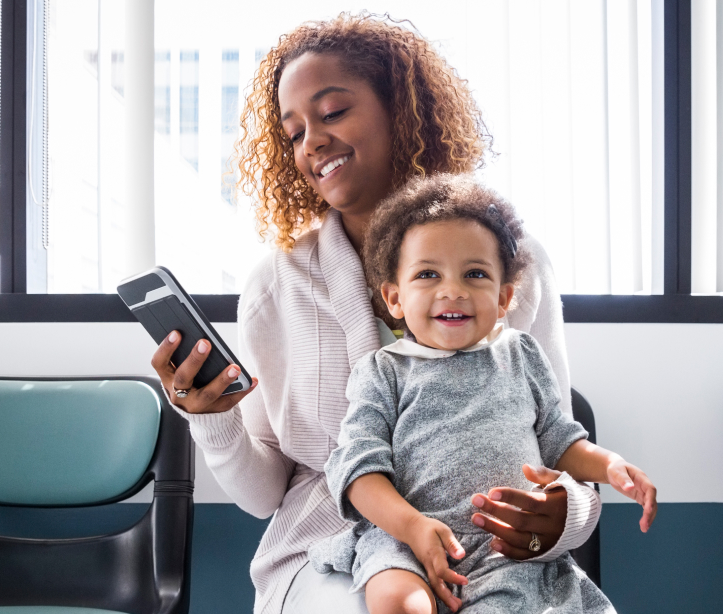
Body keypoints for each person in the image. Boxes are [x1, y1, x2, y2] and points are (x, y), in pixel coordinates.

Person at [150, 13, 604, 614]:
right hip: (330, 544)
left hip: (490, 548)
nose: (310, 143)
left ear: (402, 109)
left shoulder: (513, 263)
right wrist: (213, 419)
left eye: (333, 112)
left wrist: (562, 517)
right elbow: (263, 497)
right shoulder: (274, 286)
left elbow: (558, 450)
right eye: (293, 133)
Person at [308, 173, 657, 614]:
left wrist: (612, 466)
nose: (452, 290)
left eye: (474, 274)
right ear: (394, 299)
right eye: (428, 274)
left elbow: (560, 440)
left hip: (502, 547)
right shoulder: (383, 370)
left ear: (504, 297)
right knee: (399, 601)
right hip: (405, 539)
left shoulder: (521, 354)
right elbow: (358, 472)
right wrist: (412, 526)